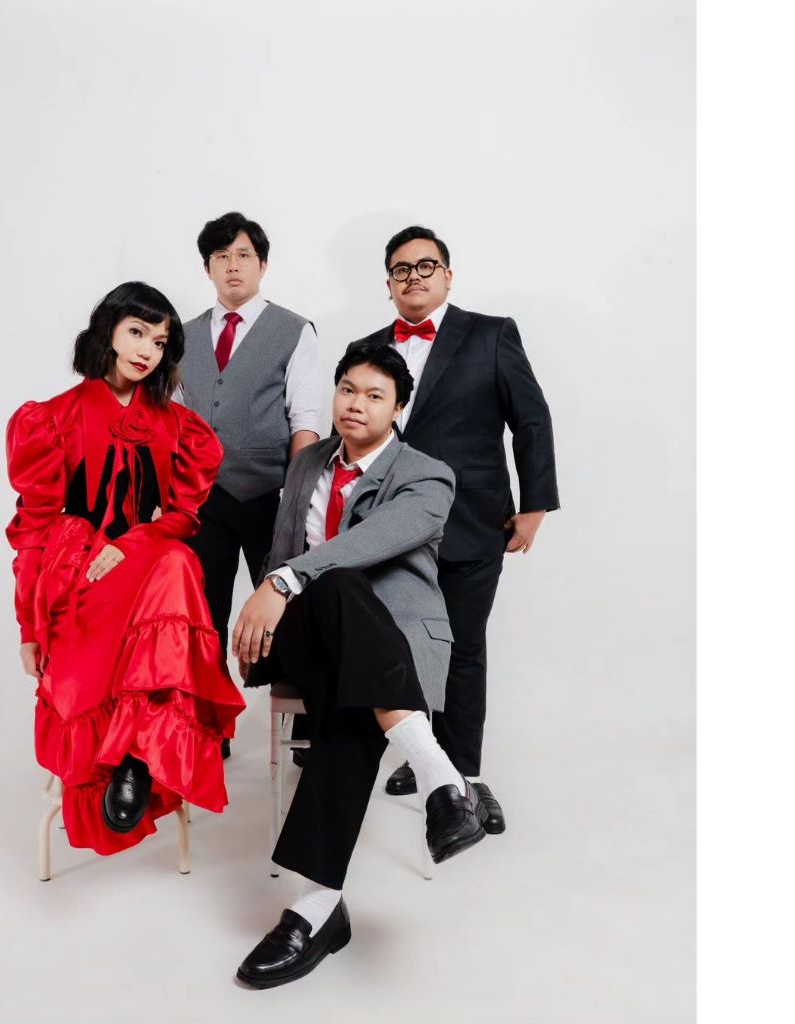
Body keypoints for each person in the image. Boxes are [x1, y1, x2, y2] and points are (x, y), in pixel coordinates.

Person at [232, 343, 487, 989]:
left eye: (375, 395)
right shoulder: (307, 463)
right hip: (301, 635)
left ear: (398, 409)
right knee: (334, 592)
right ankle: (438, 775)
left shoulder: (428, 475)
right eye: (348, 389)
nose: (356, 404)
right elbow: (282, 552)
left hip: (383, 647)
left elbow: (370, 541)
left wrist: (288, 579)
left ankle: (315, 907)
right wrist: (271, 591)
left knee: (345, 629)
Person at [4, 281, 245, 857]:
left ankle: (136, 756)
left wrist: (133, 543)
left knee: (177, 559)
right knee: (175, 567)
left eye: (159, 343)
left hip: (148, 571)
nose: (146, 351)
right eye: (137, 332)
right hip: (78, 575)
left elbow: (183, 517)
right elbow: (33, 533)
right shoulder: (51, 419)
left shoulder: (179, 427)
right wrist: (30, 626)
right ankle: (125, 757)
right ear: (107, 330)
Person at [352, 226, 560, 833]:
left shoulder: (492, 334)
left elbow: (531, 419)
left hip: (471, 520)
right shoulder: (366, 347)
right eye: (401, 269)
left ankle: (464, 777)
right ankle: (426, 757)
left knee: (463, 646)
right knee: (401, 646)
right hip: (387, 524)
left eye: (425, 266)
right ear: (389, 284)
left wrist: (536, 504)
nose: (413, 277)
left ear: (447, 275)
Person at [177, 212, 321, 755]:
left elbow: (305, 420)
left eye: (243, 256)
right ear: (207, 268)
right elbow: (174, 418)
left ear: (262, 265)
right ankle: (211, 726)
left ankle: (306, 722)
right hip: (203, 498)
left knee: (291, 607)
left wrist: (297, 504)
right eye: (221, 257)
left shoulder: (294, 330)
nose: (232, 266)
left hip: (270, 495)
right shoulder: (183, 335)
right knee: (203, 614)